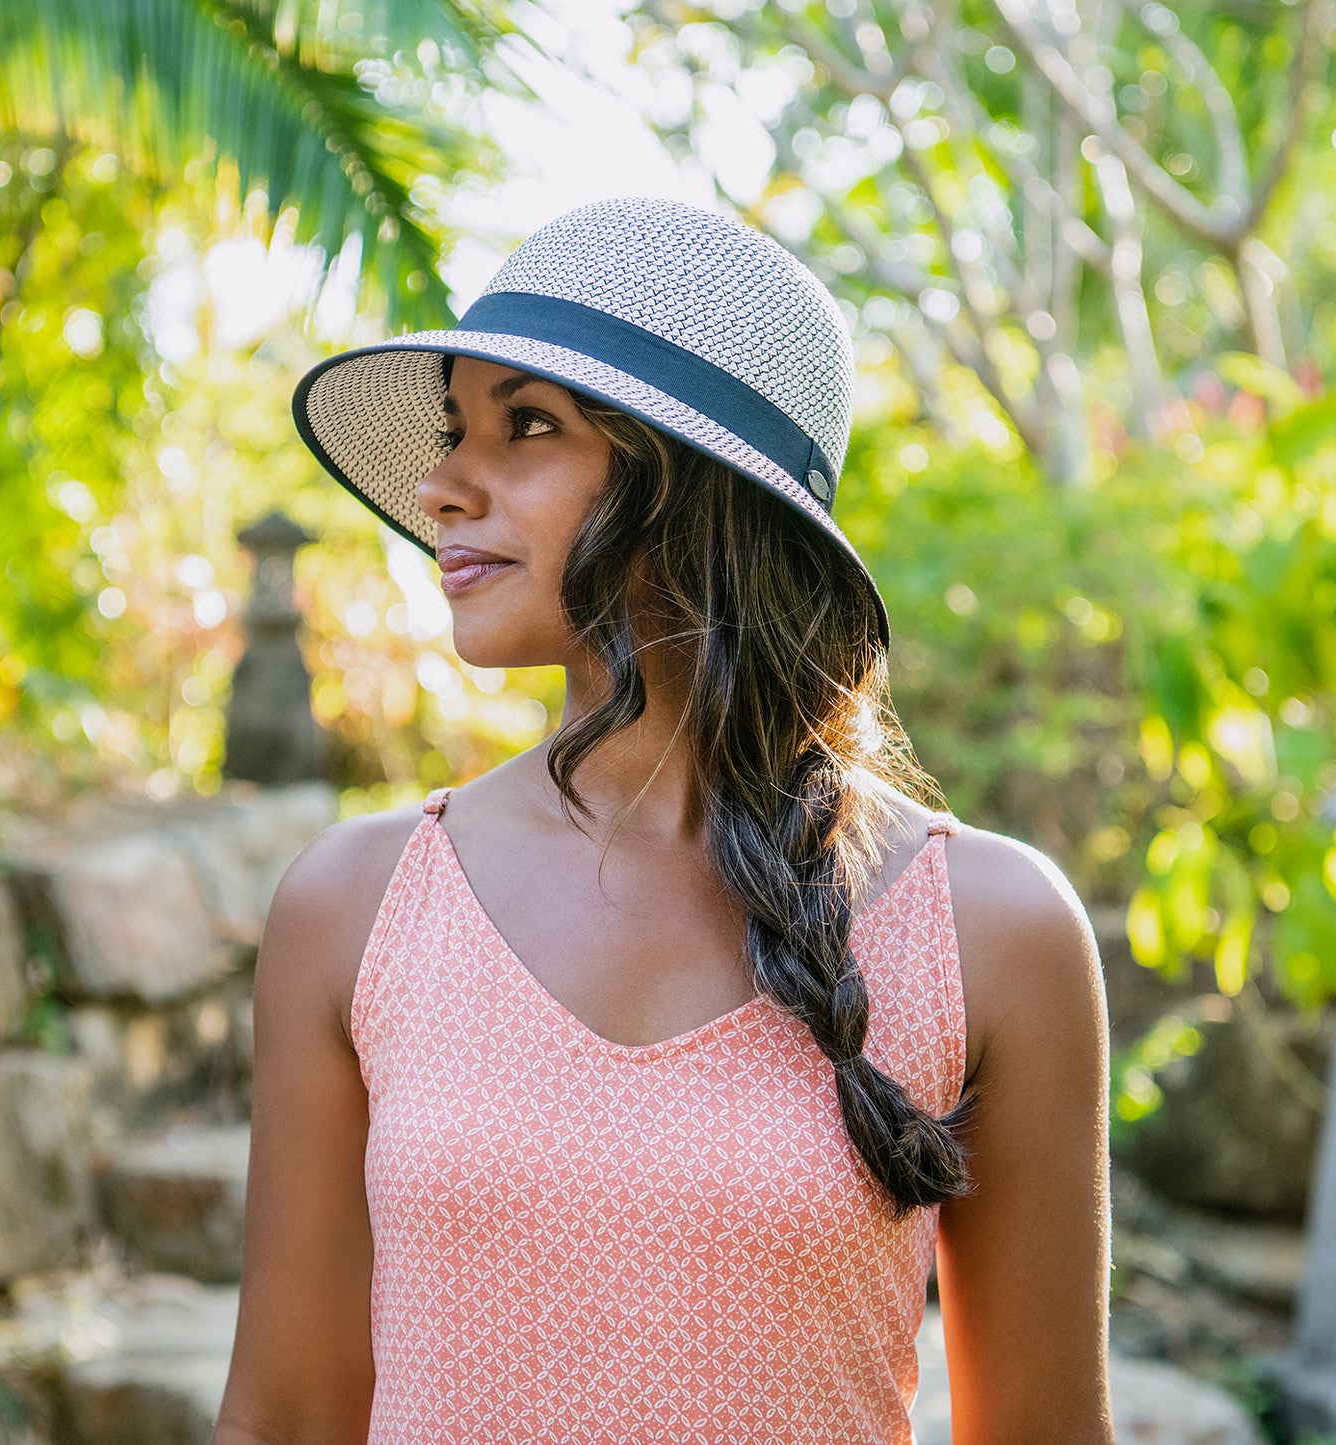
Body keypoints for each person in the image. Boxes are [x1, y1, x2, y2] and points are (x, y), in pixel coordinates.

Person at [213, 196, 1113, 1445]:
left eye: (525, 424)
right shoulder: (358, 907)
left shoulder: (988, 932)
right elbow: (283, 1420)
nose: (442, 486)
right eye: (452, 430)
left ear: (691, 487)